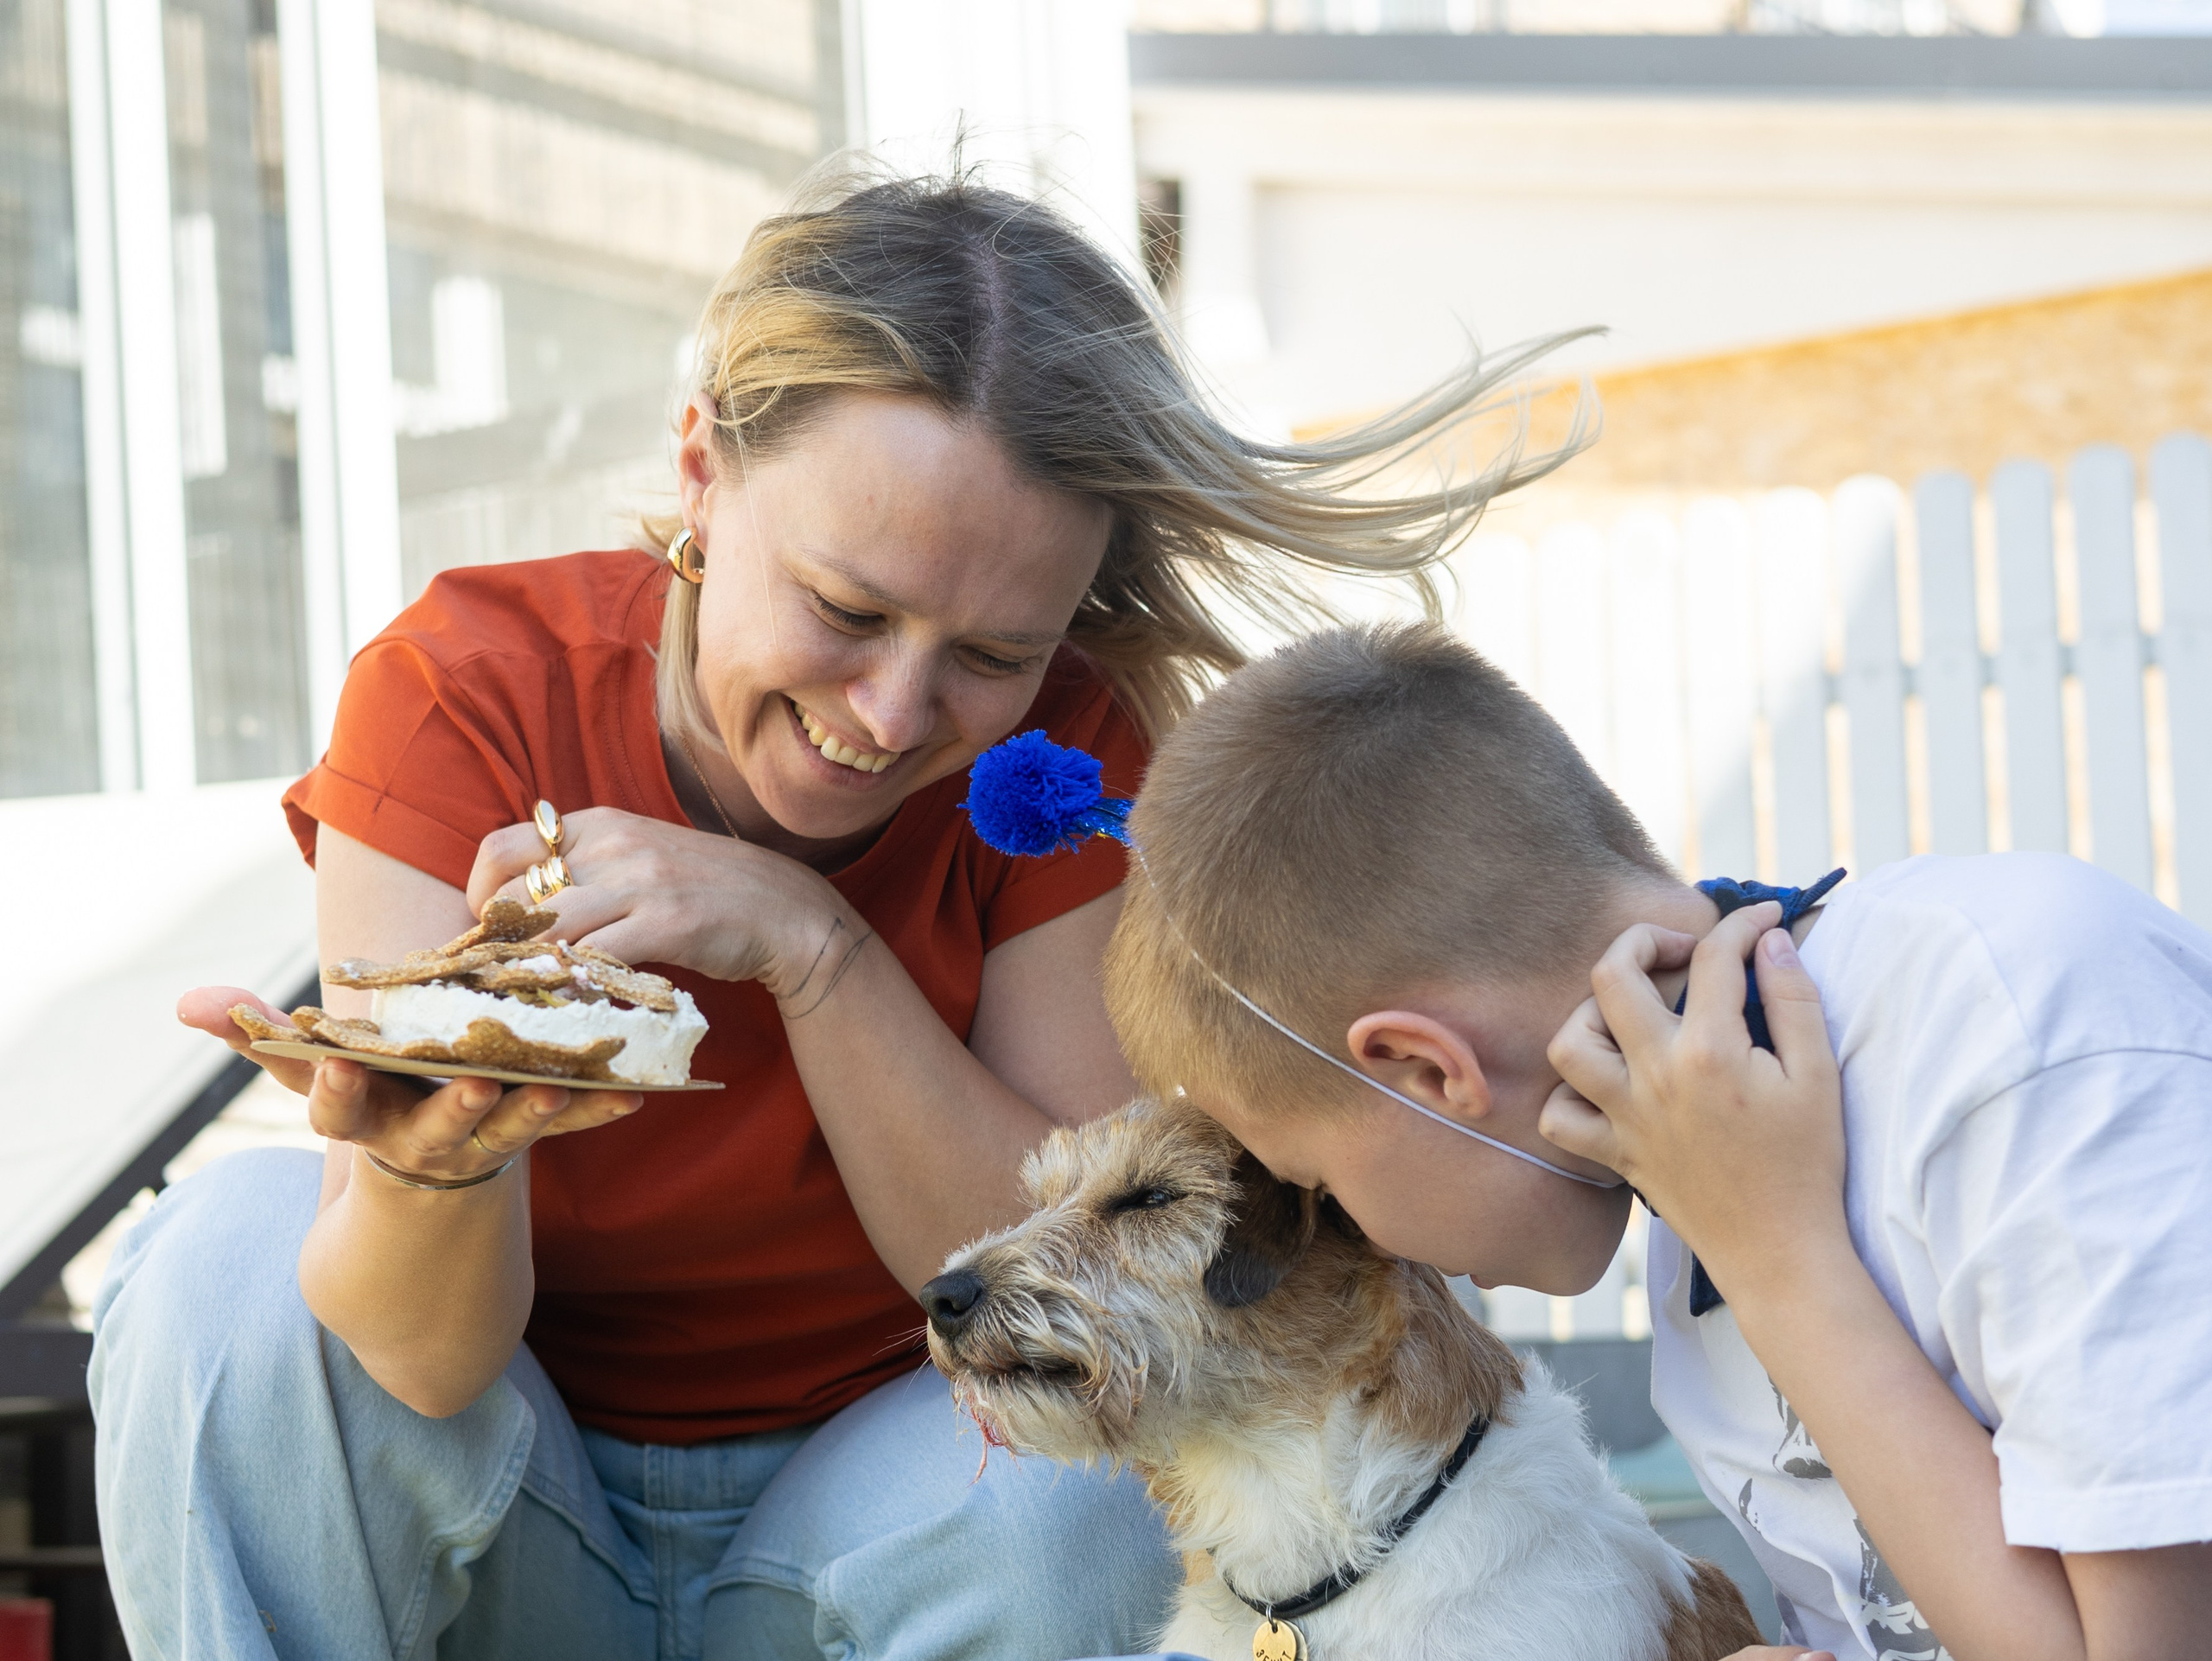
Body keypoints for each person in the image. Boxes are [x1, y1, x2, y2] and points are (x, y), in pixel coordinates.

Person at [93, 169, 1577, 1661]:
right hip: (498, 1521)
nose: (891, 711)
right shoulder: (466, 693)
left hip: (884, 1542)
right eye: (847, 608)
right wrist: (428, 1172)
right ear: (701, 471)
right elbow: (417, 1362)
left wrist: (812, 943)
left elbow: (1053, 1277)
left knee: (1094, 1475)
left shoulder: (1059, 764)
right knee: (221, 1257)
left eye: (993, 650)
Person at [1101, 622, 2212, 1661]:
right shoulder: (1689, 1226)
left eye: (1321, 1183)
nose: (1366, 1236)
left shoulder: (2028, 1017)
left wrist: (1781, 1256)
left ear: (1431, 1068)